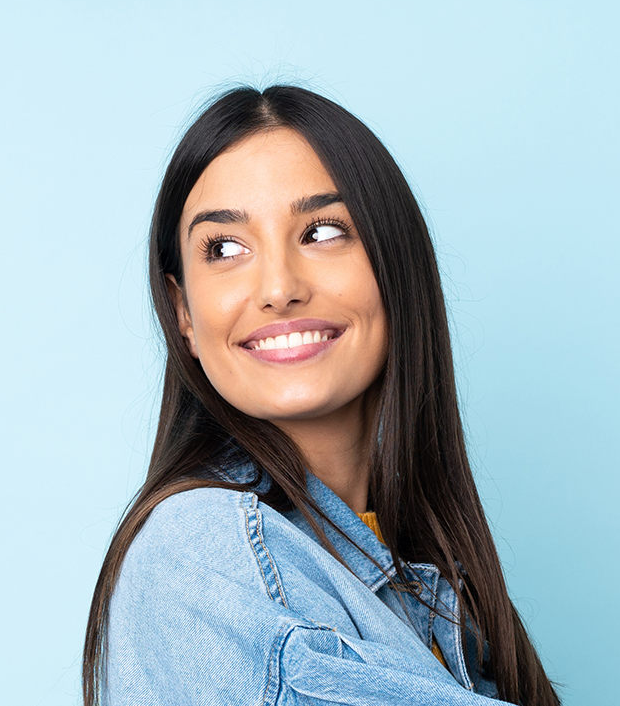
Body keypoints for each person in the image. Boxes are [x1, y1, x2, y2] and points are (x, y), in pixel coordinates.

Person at [82, 85, 560, 705]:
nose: (278, 288)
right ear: (184, 315)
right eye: (225, 248)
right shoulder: (206, 549)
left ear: (395, 268)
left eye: (324, 232)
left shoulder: (426, 580)